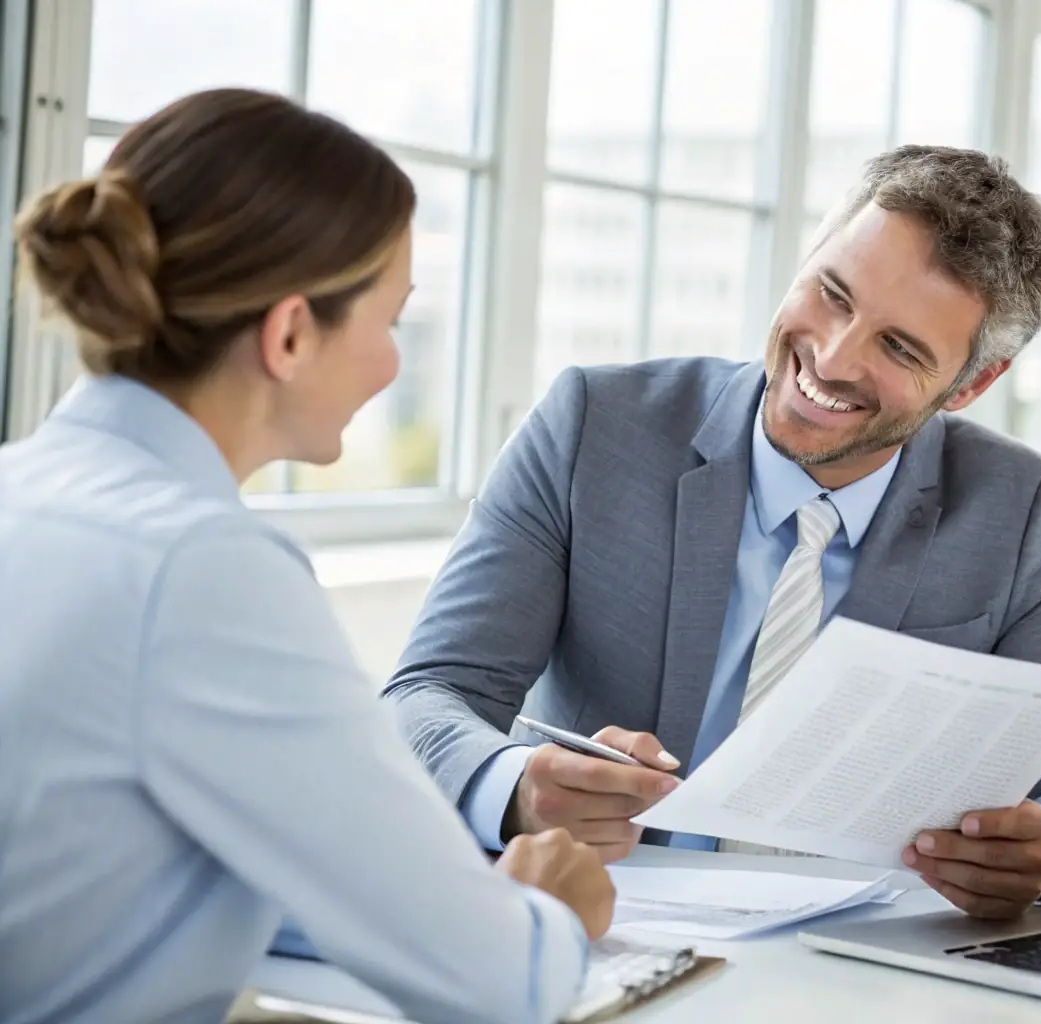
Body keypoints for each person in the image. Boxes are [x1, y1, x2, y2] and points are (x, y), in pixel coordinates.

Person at [385, 145, 1041, 921]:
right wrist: (513, 785)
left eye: (898, 347)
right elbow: (426, 694)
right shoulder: (594, 427)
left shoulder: (1014, 507)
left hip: (852, 961)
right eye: (832, 293)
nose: (832, 354)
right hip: (603, 921)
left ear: (972, 383)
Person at [0, 88, 613, 1024]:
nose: (391, 367)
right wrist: (547, 911)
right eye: (391, 321)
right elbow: (500, 987)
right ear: (289, 334)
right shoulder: (203, 567)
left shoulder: (26, 490)